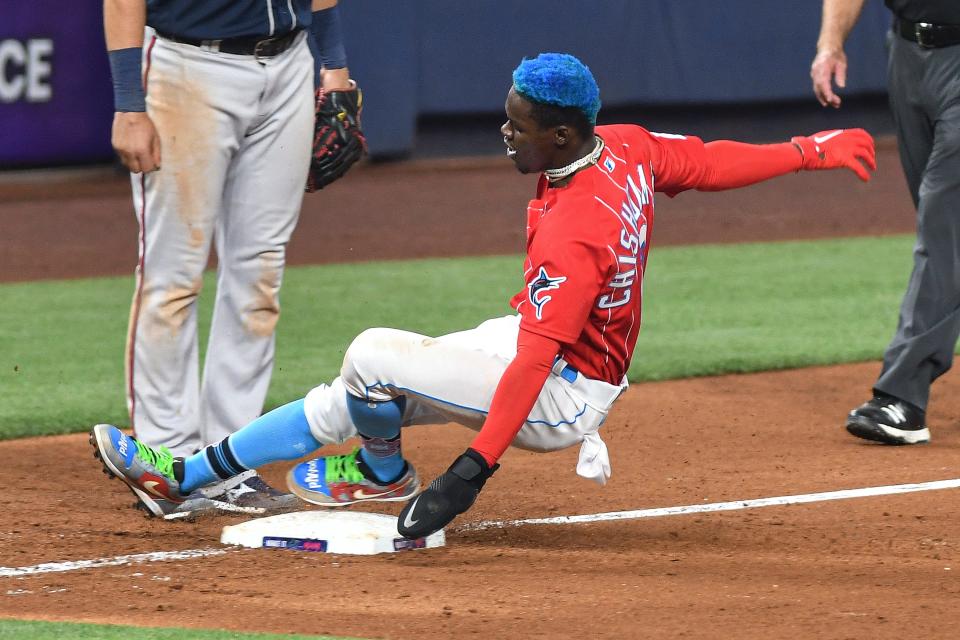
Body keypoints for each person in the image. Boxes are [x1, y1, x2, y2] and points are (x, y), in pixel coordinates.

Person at [91, 52, 875, 536]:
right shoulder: (624, 149)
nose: (505, 134)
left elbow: (533, 362)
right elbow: (706, 161)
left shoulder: (577, 231)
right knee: (352, 393)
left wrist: (470, 473)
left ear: (561, 136)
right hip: (554, 350)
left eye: (518, 125)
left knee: (371, 355)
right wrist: (810, 150)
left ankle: (384, 470)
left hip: (561, 392)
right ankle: (184, 477)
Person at [105, 0, 360, 517]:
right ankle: (166, 458)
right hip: (188, 67)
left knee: (260, 276)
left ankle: (225, 461)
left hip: (290, 65)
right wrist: (129, 103)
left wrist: (333, 62)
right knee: (173, 275)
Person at [811, 1, 960, 446]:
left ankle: (902, 394)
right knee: (947, 232)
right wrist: (830, 43)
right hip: (908, 55)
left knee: (942, 225)